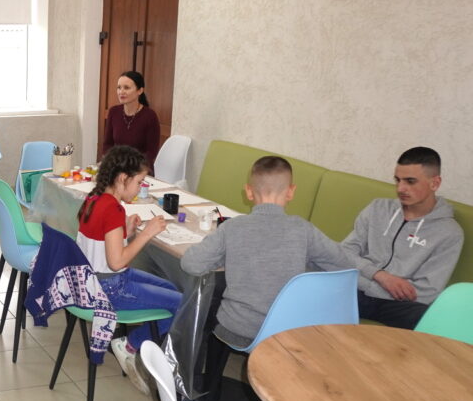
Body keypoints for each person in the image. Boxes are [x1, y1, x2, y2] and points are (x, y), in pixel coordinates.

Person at [181, 156, 353, 347]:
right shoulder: (303, 229)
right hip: (285, 333)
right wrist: (306, 264)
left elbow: (190, 264)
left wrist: (224, 257)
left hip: (236, 331)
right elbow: (343, 264)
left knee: (209, 296)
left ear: (248, 191)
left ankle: (202, 363)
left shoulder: (232, 227)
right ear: (291, 192)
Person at [77, 145, 183, 393]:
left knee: (172, 289)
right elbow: (116, 262)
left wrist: (127, 230)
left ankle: (148, 349)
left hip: (94, 280)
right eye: (139, 182)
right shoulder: (113, 208)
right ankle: (131, 345)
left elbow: (102, 247)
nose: (140, 188)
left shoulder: (94, 198)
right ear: (123, 178)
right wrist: (146, 234)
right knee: (183, 305)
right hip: (109, 287)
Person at [341, 147, 464, 329]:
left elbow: (427, 291)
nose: (400, 188)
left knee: (433, 321)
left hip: (396, 305)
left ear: (435, 183)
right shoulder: (377, 208)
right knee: (312, 278)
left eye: (410, 181)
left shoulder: (449, 232)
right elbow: (344, 252)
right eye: (397, 180)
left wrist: (374, 287)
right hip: (354, 289)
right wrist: (380, 276)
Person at [100, 71, 161, 168]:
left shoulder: (150, 116)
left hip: (139, 169)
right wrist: (112, 162)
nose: (121, 92)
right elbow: (107, 144)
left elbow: (151, 152)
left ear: (140, 91)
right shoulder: (113, 112)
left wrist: (129, 166)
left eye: (126, 88)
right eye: (119, 87)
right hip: (116, 167)